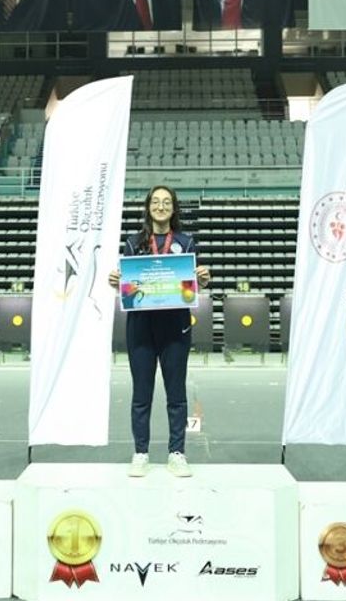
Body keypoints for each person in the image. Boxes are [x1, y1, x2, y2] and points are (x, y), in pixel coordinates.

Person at [108, 186, 211, 477]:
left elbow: (189, 286)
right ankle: (140, 453)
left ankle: (177, 453)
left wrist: (202, 280)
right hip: (140, 327)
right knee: (141, 394)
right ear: (148, 207)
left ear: (173, 208)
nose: (161, 206)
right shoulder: (133, 243)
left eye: (166, 202)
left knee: (176, 395)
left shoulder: (186, 242)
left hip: (175, 327)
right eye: (156, 201)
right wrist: (117, 282)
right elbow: (129, 287)